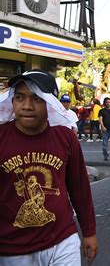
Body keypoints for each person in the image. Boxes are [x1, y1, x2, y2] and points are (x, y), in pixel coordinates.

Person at [0, 69, 97, 264]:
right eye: (20, 97)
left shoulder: (65, 138)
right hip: (12, 250)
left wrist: (89, 231)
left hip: (62, 241)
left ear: (50, 104)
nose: (26, 106)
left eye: (36, 99)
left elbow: (79, 187)